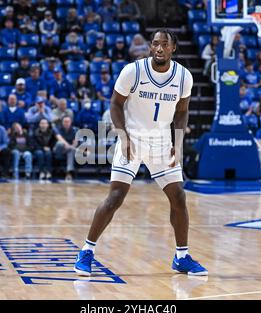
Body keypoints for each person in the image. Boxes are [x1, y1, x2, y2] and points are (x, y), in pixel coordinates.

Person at [74, 29, 207, 277]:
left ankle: (181, 257)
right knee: (116, 197)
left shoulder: (183, 77)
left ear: (173, 48)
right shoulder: (133, 71)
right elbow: (115, 103)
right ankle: (86, 251)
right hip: (132, 138)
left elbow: (181, 111)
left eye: (163, 45)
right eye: (155, 44)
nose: (158, 48)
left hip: (161, 141)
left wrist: (177, 142)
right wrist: (122, 135)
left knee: (178, 196)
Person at [53, 116, 78, 182]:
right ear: (62, 122)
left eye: (68, 121)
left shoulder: (75, 130)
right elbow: (59, 138)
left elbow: (75, 143)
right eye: (65, 121)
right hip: (58, 150)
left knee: (71, 150)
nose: (66, 123)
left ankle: (68, 172)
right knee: (60, 144)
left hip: (69, 150)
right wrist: (66, 145)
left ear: (71, 122)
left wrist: (71, 146)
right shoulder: (57, 129)